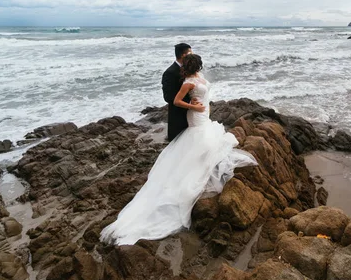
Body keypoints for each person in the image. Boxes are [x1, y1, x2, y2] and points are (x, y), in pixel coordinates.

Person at [100, 54, 257, 245]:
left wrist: (203, 107)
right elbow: (175, 101)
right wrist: (194, 107)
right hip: (197, 116)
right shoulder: (188, 82)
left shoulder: (198, 76)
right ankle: (194, 169)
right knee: (203, 142)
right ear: (196, 65)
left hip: (204, 114)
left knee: (208, 140)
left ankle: (199, 164)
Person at [161, 43, 196, 141]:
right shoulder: (170, 72)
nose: (192, 55)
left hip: (192, 114)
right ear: (183, 55)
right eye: (190, 53)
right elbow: (168, 97)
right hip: (178, 117)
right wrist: (189, 103)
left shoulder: (190, 69)